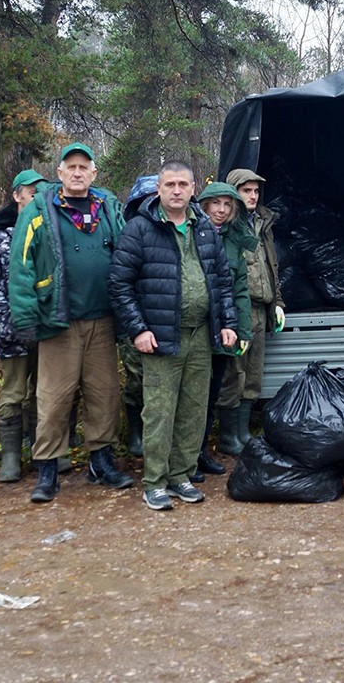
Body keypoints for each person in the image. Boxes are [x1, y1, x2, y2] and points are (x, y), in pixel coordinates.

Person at [110, 161, 238, 510]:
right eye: (170, 185)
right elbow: (119, 285)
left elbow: (222, 281)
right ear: (159, 190)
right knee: (160, 411)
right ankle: (155, 481)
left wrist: (228, 323)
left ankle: (181, 475)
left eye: (183, 184)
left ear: (194, 188)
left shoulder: (205, 229)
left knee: (194, 410)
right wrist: (138, 329)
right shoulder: (139, 229)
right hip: (161, 335)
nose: (177, 190)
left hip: (201, 335)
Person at [9, 143, 133, 503]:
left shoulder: (109, 208)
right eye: (70, 167)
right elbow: (21, 268)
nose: (77, 172)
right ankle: (47, 468)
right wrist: (27, 317)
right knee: (54, 397)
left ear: (94, 174)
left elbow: (127, 255)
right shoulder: (39, 210)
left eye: (84, 167)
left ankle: (101, 462)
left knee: (104, 394)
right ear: (59, 173)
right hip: (59, 320)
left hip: (103, 319)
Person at [0, 169, 48, 482]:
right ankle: (11, 458)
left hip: (48, 328)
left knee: (45, 392)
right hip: (12, 328)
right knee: (14, 392)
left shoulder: (49, 225)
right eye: (32, 193)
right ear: (17, 195)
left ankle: (42, 451)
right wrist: (6, 317)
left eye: (42, 193)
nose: (37, 199)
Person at [219, 169, 285, 451]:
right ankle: (226, 436)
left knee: (254, 374)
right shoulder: (227, 226)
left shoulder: (263, 222)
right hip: (236, 309)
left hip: (261, 308)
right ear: (235, 193)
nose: (253, 196)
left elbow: (272, 267)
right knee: (234, 373)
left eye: (256, 191)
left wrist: (278, 302)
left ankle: (243, 432)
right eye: (247, 191)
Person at [197, 181, 254, 468]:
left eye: (227, 204)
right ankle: (184, 455)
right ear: (205, 204)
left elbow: (240, 290)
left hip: (224, 329)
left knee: (211, 393)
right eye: (216, 203)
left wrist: (243, 331)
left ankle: (201, 452)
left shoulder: (234, 240)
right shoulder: (192, 232)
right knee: (191, 395)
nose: (221, 210)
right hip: (194, 328)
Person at [118, 174, 160, 460]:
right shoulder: (128, 233)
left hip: (165, 319)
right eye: (143, 200)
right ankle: (135, 433)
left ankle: (158, 434)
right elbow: (120, 282)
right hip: (132, 322)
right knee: (136, 379)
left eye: (152, 200)